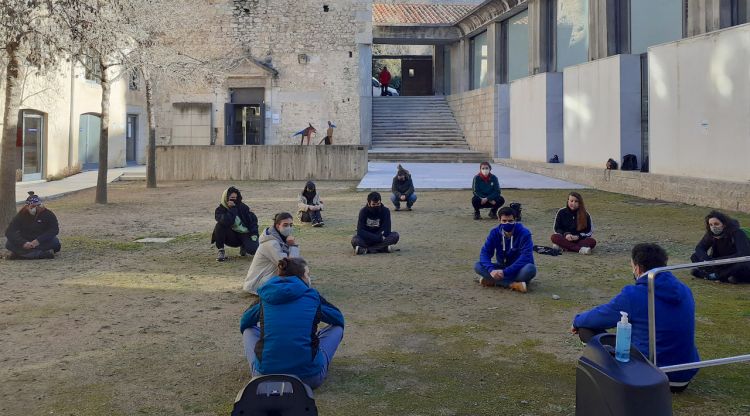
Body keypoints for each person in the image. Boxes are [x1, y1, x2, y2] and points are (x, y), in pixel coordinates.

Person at [571, 243, 700, 392]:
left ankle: (611, 368)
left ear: (637, 268)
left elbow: (600, 316)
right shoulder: (684, 289)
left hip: (650, 376)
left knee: (585, 328)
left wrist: (576, 321)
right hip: (684, 374)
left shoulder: (634, 294)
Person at [241, 257, 344, 389]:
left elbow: (245, 321)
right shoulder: (312, 296)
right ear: (301, 277)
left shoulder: (265, 296)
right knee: (337, 328)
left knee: (248, 330)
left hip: (264, 377)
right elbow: (338, 318)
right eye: (307, 274)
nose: (309, 278)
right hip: (309, 378)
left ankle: (266, 361)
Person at [473, 207, 536, 293]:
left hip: (518, 269)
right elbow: (485, 253)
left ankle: (493, 281)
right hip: (501, 267)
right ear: (499, 220)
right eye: (504, 221)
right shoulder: (494, 233)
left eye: (510, 221)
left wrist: (505, 272)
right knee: (478, 265)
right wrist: (491, 270)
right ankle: (513, 284)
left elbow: (526, 257)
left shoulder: (524, 233)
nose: (507, 223)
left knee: (530, 269)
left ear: (515, 219)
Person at [243, 212, 300, 294]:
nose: (289, 227)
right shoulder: (271, 243)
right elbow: (288, 266)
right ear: (277, 226)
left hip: (269, 278)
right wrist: (293, 246)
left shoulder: (281, 239)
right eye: (285, 225)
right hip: (257, 283)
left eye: (291, 225)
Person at [690, 210, 750, 284]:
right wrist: (706, 259)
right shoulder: (711, 234)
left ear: (724, 224)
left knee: (742, 265)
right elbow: (700, 248)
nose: (713, 227)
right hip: (717, 263)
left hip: (733, 262)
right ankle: (714, 275)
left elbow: (743, 254)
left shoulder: (737, 233)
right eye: (711, 225)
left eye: (716, 224)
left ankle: (714, 276)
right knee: (695, 256)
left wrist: (719, 261)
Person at [4, 191, 60, 260]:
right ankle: (40, 254)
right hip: (25, 240)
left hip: (41, 241)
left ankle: (19, 255)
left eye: (38, 205)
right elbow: (9, 231)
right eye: (33, 206)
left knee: (56, 243)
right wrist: (23, 243)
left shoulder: (48, 214)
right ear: (27, 206)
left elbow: (54, 230)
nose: (37, 208)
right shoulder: (21, 215)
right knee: (9, 244)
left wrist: (38, 241)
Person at [211, 186, 259, 262]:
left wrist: (254, 234)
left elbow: (253, 221)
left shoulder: (243, 207)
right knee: (219, 225)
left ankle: (244, 246)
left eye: (235, 198)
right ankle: (221, 250)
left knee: (253, 250)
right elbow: (226, 221)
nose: (234, 200)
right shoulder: (220, 210)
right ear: (225, 198)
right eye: (231, 198)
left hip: (244, 233)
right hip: (231, 237)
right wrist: (232, 209)